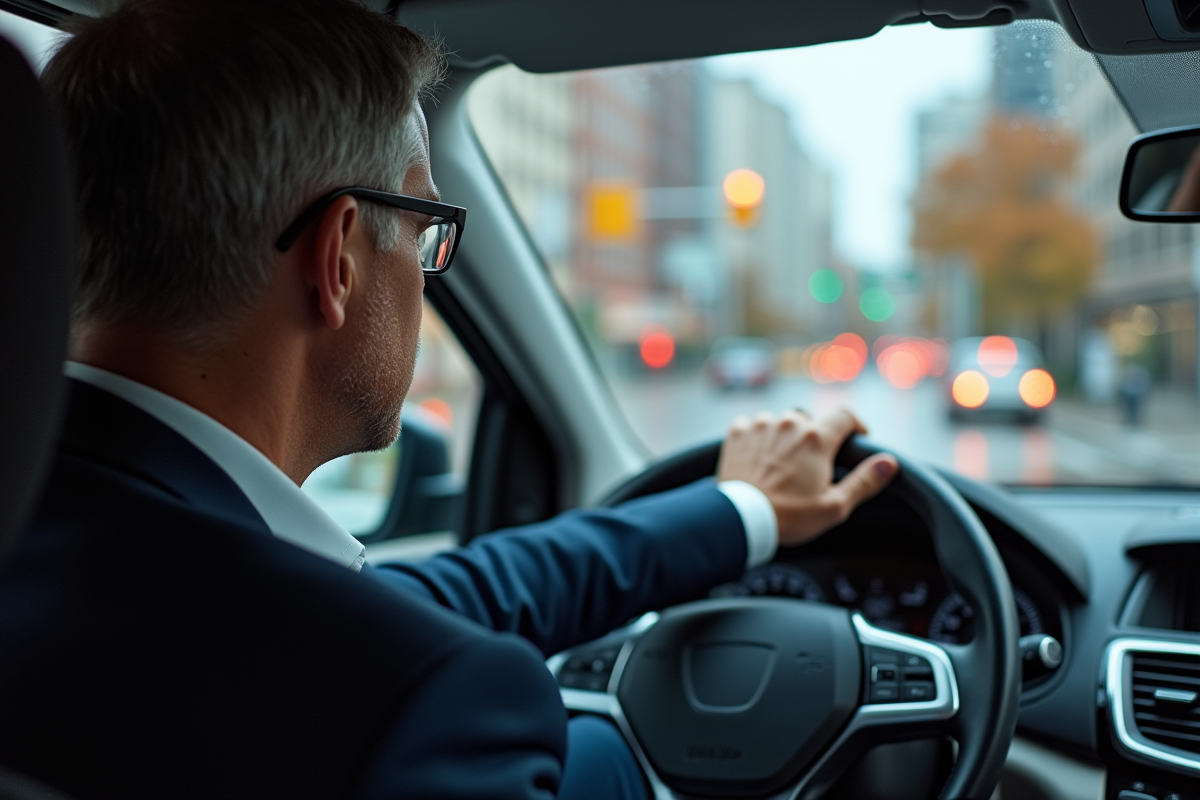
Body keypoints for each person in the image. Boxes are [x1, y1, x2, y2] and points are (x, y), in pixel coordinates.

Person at [0, 1, 899, 798]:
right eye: (427, 228)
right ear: (341, 257)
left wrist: (740, 509)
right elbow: (365, 638)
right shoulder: (415, 707)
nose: (428, 273)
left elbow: (426, 600)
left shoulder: (62, 533)